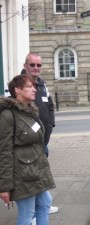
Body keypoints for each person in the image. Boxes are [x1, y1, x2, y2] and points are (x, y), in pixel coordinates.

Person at [0, 75, 56, 225]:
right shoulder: (8, 115)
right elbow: (3, 152)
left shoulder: (31, 111)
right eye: (29, 86)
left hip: (36, 170)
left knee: (45, 203)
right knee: (27, 213)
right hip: (22, 174)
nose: (34, 89)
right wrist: (4, 187)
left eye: (34, 86)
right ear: (17, 90)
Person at [23, 52, 58, 214]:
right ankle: (36, 211)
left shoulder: (42, 84)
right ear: (25, 66)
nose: (36, 68)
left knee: (41, 173)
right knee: (34, 175)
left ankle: (43, 205)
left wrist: (51, 123)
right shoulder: (21, 84)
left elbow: (50, 105)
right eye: (32, 65)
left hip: (43, 140)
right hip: (29, 142)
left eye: (39, 65)